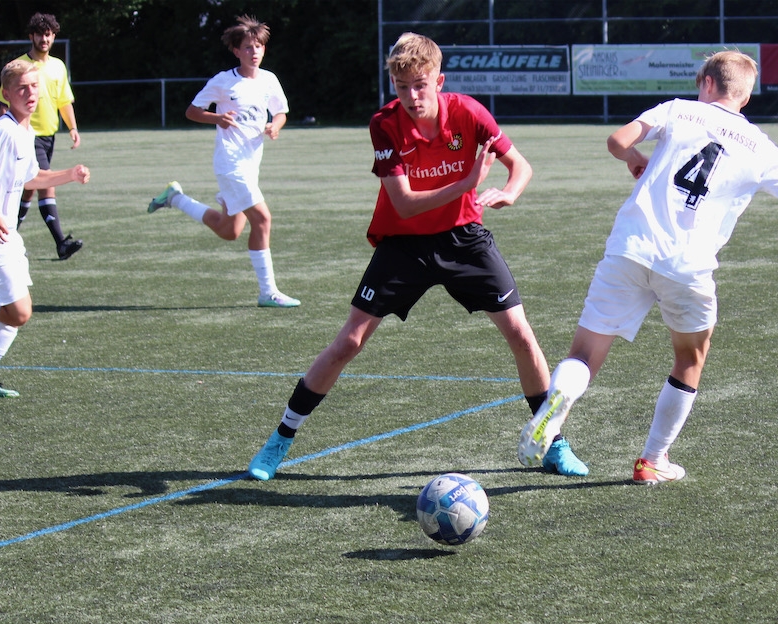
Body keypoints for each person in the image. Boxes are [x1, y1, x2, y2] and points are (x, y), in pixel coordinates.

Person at [246, 32, 587, 481]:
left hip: (464, 239)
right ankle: (280, 439)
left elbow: (520, 165)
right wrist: (466, 183)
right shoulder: (384, 124)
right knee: (349, 342)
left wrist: (510, 190)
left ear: (438, 81)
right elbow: (404, 204)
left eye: (420, 85)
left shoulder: (469, 112)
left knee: (522, 336)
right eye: (402, 86)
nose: (411, 96)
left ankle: (553, 442)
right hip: (404, 243)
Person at [518, 50, 778, 484]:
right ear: (745, 97)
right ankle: (652, 460)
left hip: (631, 248)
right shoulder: (760, 146)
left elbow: (617, 141)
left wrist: (635, 158)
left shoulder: (678, 110)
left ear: (708, 83)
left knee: (583, 354)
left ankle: (555, 411)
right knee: (690, 357)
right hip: (687, 267)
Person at [147, 15, 299, 308]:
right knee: (263, 219)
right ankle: (268, 292)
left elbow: (281, 112)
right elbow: (192, 111)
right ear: (236, 50)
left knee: (229, 230)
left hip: (250, 165)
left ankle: (174, 198)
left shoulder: (269, 80)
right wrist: (217, 118)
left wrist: (275, 126)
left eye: (258, 46)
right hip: (230, 164)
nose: (253, 52)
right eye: (247, 47)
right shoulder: (223, 81)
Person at [0, 59, 90, 398]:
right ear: (6, 94)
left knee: (16, 312)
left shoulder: (25, 130)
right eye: (22, 88)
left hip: (7, 236)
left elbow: (32, 178)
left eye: (34, 87)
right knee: (18, 312)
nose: (30, 93)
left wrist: (69, 175)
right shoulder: (2, 131)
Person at [0, 12, 84, 260]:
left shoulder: (58, 66)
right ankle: (61, 244)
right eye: (39, 35)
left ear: (53, 36)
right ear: (31, 37)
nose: (44, 39)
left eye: (48, 34)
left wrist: (73, 128)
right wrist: (3, 134)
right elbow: (4, 104)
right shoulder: (19, 67)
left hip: (49, 137)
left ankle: (3, 235)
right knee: (46, 184)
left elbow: (64, 101)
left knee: (29, 190)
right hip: (27, 137)